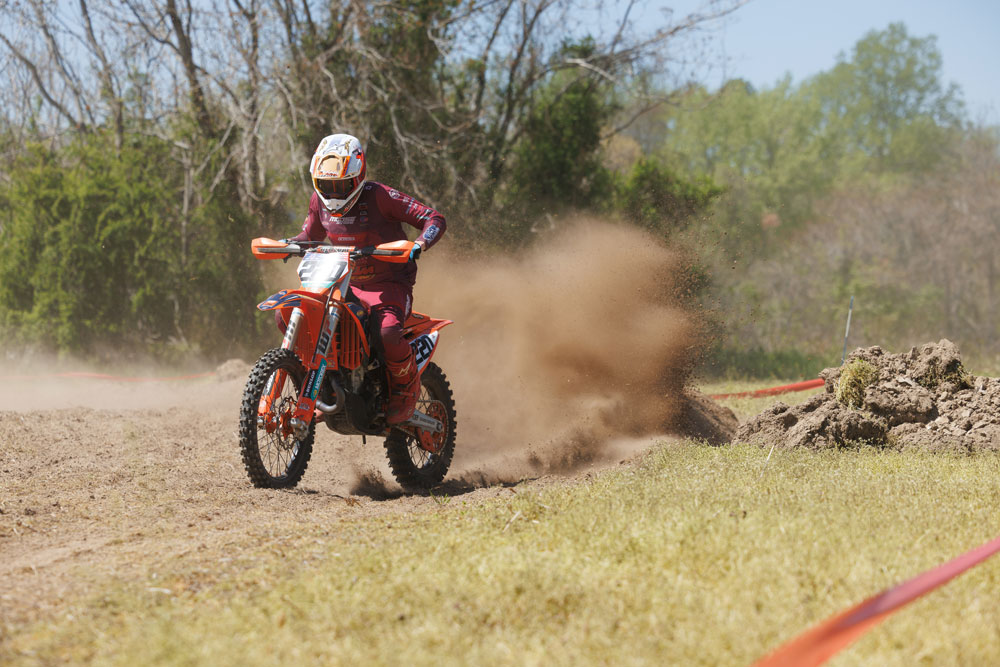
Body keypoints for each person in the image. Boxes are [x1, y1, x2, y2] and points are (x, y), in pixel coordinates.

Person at [283, 133, 446, 424]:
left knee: (386, 333)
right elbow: (310, 236)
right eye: (325, 186)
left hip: (389, 285)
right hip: (342, 281)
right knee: (292, 315)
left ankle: (404, 389)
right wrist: (290, 244)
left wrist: (419, 245)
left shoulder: (380, 196)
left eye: (340, 185)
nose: (332, 194)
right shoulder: (318, 203)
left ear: (358, 177)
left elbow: (433, 218)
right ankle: (321, 385)